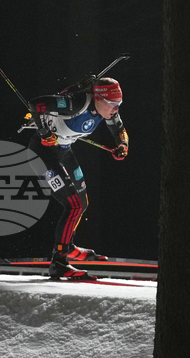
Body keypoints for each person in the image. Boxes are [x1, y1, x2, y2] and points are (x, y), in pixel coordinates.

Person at [27, 76, 129, 279]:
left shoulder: (107, 110)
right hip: (42, 154)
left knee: (82, 203)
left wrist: (122, 146)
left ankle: (69, 246)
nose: (116, 109)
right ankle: (58, 262)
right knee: (73, 205)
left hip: (64, 152)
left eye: (119, 103)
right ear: (98, 98)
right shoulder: (75, 103)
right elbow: (35, 104)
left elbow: (120, 130)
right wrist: (45, 133)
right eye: (113, 104)